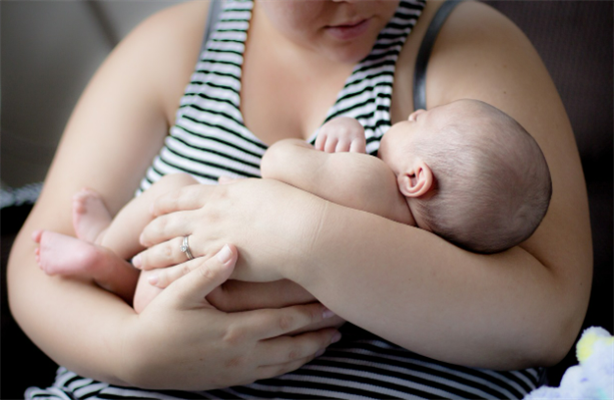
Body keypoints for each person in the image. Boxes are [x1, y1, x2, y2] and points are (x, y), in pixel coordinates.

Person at [8, 0, 592, 399]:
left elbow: (548, 319)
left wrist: (297, 234)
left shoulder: (467, 46)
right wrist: (137, 353)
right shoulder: (169, 46)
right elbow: (36, 272)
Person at [31, 98, 552, 314]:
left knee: (171, 188)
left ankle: (104, 246)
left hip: (199, 248)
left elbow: (279, 164)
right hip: (226, 299)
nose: (412, 113)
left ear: (416, 178)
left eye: (421, 122)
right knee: (151, 290)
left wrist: (332, 136)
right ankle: (106, 270)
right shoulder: (420, 257)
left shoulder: (373, 180)